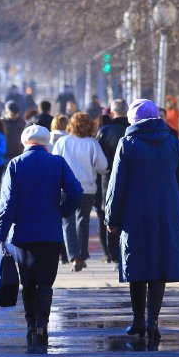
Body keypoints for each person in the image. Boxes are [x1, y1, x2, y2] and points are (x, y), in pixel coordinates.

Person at [105, 99, 179, 343]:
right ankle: (152, 320)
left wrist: (111, 217)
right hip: (168, 211)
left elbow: (116, 184)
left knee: (137, 265)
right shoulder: (173, 143)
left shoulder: (128, 143)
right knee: (160, 267)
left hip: (135, 214)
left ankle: (137, 320)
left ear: (133, 120)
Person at [0, 125, 82, 346]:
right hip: (51, 234)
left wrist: (1, 233)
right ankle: (43, 325)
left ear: (25, 143)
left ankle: (30, 326)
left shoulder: (15, 164)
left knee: (28, 283)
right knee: (45, 283)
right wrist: (63, 211)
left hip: (23, 235)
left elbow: (7, 203)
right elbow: (76, 192)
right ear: (46, 143)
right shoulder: (57, 162)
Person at [52, 112, 107, 272]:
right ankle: (82, 256)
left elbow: (55, 163)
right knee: (83, 222)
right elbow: (102, 167)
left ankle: (74, 256)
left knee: (67, 222)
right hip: (87, 189)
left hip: (66, 188)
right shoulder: (92, 143)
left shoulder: (62, 141)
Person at [95, 99, 130, 263]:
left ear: (112, 113)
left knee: (106, 217)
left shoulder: (104, 131)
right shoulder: (132, 130)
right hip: (131, 180)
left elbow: (98, 160)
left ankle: (110, 254)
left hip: (107, 180)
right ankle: (125, 252)